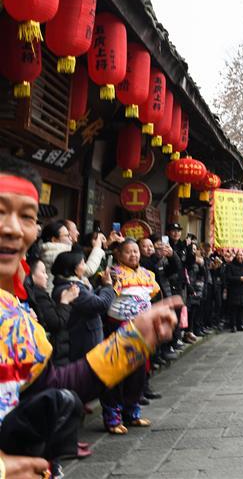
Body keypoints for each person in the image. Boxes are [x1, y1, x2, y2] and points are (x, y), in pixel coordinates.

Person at [0, 154, 181, 477]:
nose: (13, 229)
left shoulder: (13, 315)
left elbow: (53, 386)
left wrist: (134, 338)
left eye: (26, 216)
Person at [100, 239, 162, 434]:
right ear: (118, 254)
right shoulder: (113, 274)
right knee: (118, 373)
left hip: (141, 329)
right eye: (128, 252)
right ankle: (112, 417)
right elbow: (107, 296)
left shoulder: (147, 274)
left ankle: (132, 412)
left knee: (138, 374)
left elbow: (154, 295)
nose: (134, 255)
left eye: (136, 251)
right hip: (118, 327)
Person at [26, 255, 78, 365]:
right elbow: (56, 322)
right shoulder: (38, 295)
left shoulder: (37, 292)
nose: (46, 276)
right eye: (43, 272)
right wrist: (65, 301)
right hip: (55, 353)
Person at [224, 251, 243, 332]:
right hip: (234, 290)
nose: (240, 257)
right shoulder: (230, 266)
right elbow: (228, 277)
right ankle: (233, 325)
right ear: (236, 256)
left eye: (242, 255)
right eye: (239, 255)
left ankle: (241, 324)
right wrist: (239, 278)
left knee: (242, 308)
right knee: (234, 309)